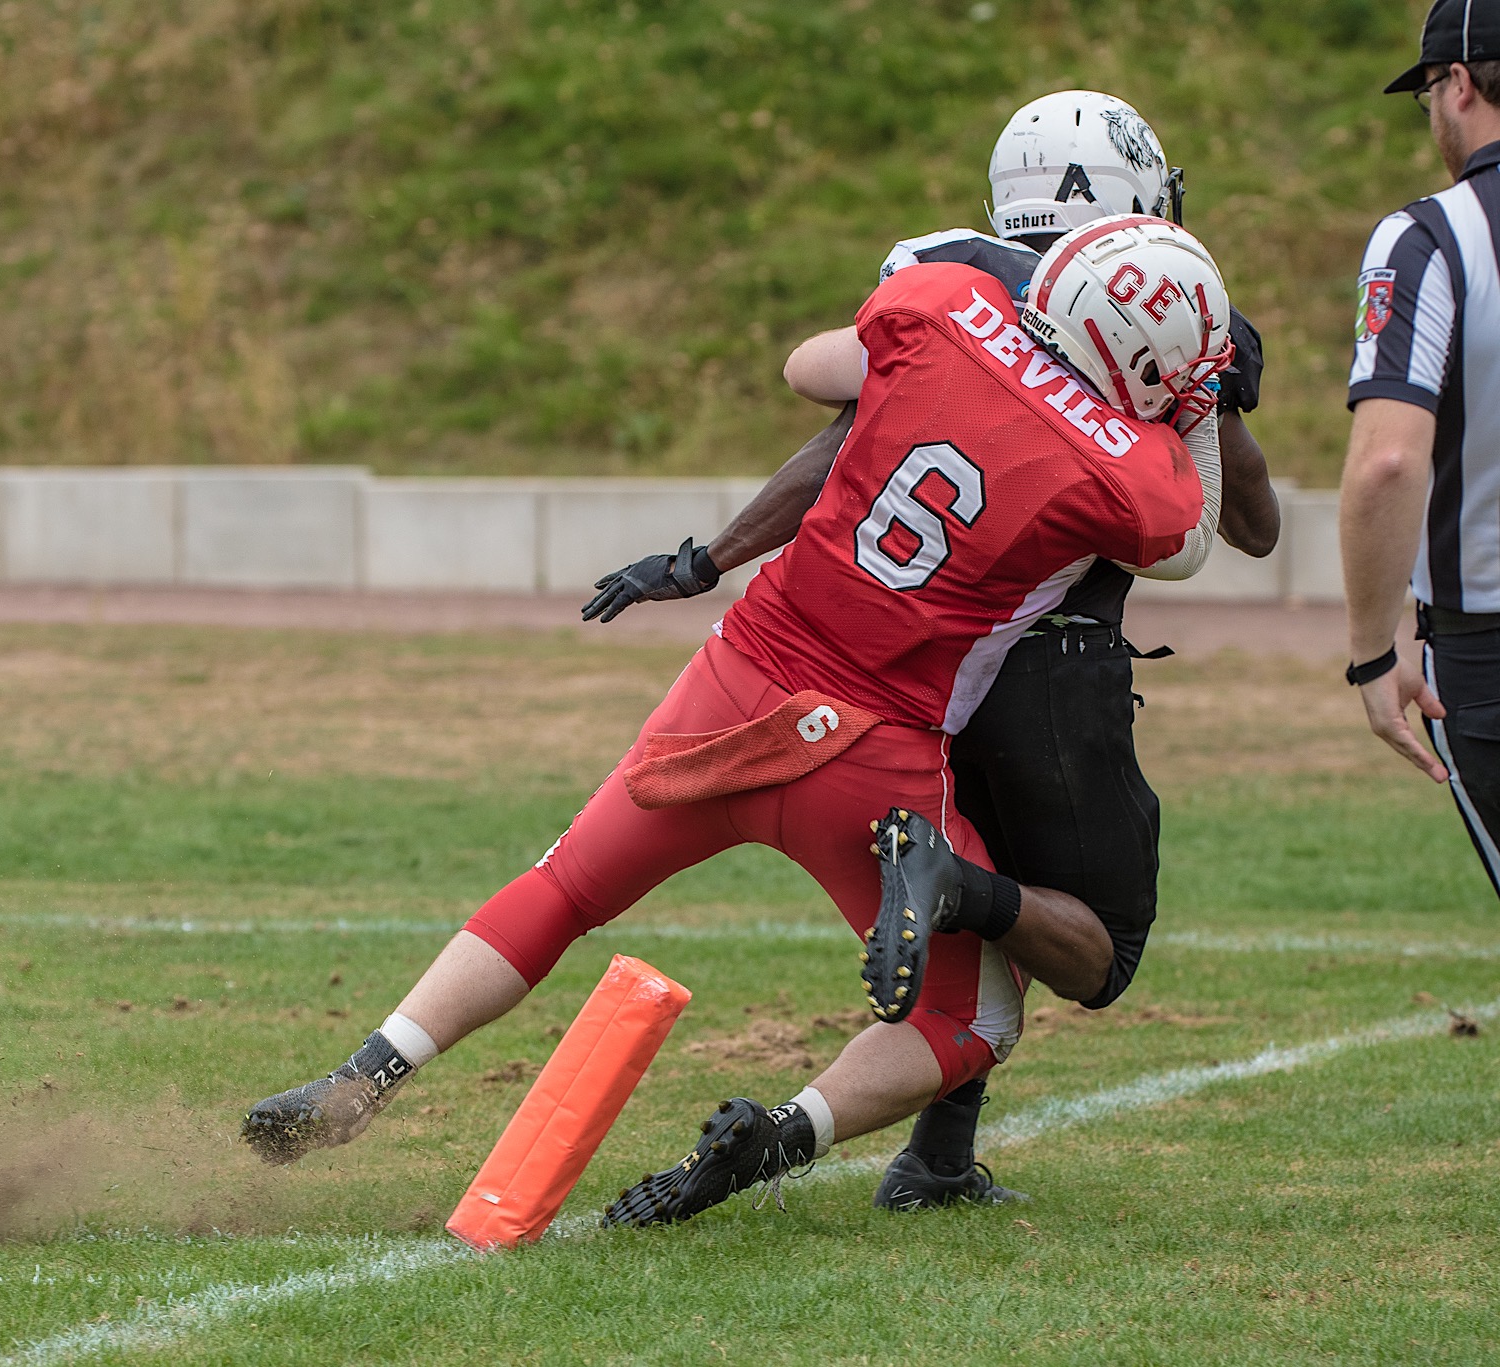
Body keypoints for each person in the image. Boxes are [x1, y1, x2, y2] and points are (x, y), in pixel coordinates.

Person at [242, 217, 1232, 1231]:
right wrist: (1189, 408)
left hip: (736, 674)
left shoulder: (942, 304)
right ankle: (787, 1128)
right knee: (974, 1015)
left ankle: (366, 1070)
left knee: (565, 883)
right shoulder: (1125, 464)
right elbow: (1191, 538)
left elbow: (809, 369)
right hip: (876, 750)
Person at [584, 91, 1282, 1211]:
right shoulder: (1165, 301)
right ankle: (937, 940)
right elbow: (1234, 530)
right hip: (1052, 673)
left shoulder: (942, 275)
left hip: (908, 668)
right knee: (1089, 948)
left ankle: (934, 1156)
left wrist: (709, 555)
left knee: (973, 957)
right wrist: (1210, 397)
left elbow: (839, 429)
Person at [1341, 0, 1500, 891]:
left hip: (1486, 647)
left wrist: (1372, 647)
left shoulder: (1430, 239)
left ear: (1462, 85)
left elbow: (1389, 460)